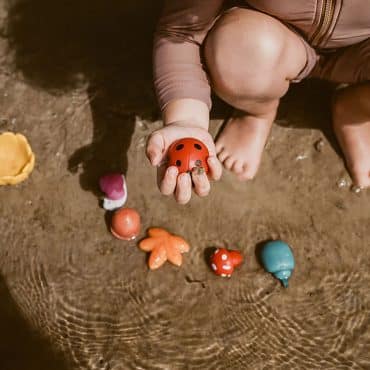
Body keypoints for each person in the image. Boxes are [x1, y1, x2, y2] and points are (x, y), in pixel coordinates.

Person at [146, 0, 370, 204]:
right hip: (263, 39)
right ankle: (256, 110)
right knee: (240, 48)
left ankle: (358, 107)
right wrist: (187, 118)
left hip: (358, 55)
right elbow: (181, 32)